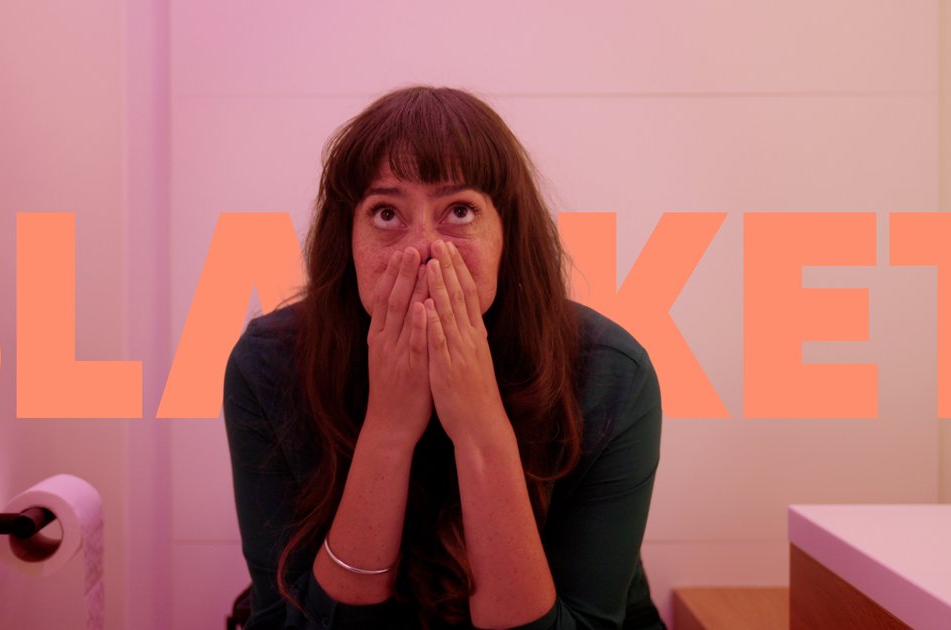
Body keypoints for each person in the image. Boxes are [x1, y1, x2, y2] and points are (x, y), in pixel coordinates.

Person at [223, 86, 665, 629]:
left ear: (508, 232)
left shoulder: (610, 373)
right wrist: (388, 429)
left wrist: (480, 429)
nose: (425, 248)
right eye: (386, 213)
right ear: (348, 239)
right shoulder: (269, 367)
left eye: (459, 210)